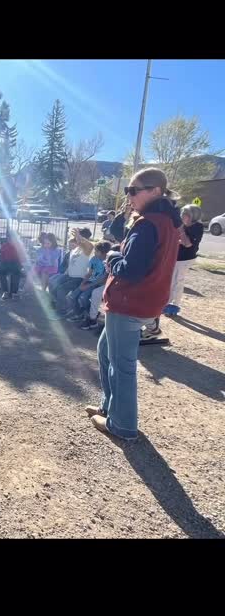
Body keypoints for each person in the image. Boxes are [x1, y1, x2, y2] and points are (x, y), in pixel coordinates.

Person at [89, 168, 182, 441]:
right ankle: (110, 407)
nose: (129, 195)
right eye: (128, 190)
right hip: (140, 301)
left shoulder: (149, 223)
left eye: (133, 190)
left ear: (155, 191)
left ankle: (123, 425)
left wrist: (113, 256)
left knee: (122, 365)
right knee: (105, 351)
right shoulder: (164, 220)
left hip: (130, 303)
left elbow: (131, 269)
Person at [163, 205, 204, 317]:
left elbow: (187, 243)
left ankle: (173, 305)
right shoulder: (184, 226)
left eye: (184, 215)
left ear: (192, 216)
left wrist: (180, 228)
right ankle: (167, 303)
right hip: (177, 257)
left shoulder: (197, 227)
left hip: (186, 258)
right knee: (171, 281)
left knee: (178, 281)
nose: (182, 216)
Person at [67, 240, 112, 322]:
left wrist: (87, 286)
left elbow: (102, 280)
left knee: (83, 298)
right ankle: (79, 313)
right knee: (72, 296)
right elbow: (89, 273)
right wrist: (83, 283)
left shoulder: (108, 262)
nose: (94, 252)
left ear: (103, 252)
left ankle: (88, 315)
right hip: (89, 282)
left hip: (97, 284)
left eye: (96, 251)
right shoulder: (94, 259)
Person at [52, 228, 93, 314]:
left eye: (78, 237)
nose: (76, 238)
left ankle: (62, 310)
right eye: (76, 237)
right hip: (69, 276)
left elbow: (90, 246)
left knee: (61, 289)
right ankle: (64, 306)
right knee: (53, 283)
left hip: (79, 278)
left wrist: (80, 237)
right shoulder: (75, 248)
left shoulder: (86, 250)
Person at [0, 230, 23, 300]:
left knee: (16, 273)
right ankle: (5, 291)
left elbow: (22, 257)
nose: (10, 239)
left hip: (16, 263)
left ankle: (13, 292)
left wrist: (20, 264)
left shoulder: (19, 246)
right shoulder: (5, 245)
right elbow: (2, 257)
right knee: (2, 273)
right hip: (6, 263)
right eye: (9, 238)